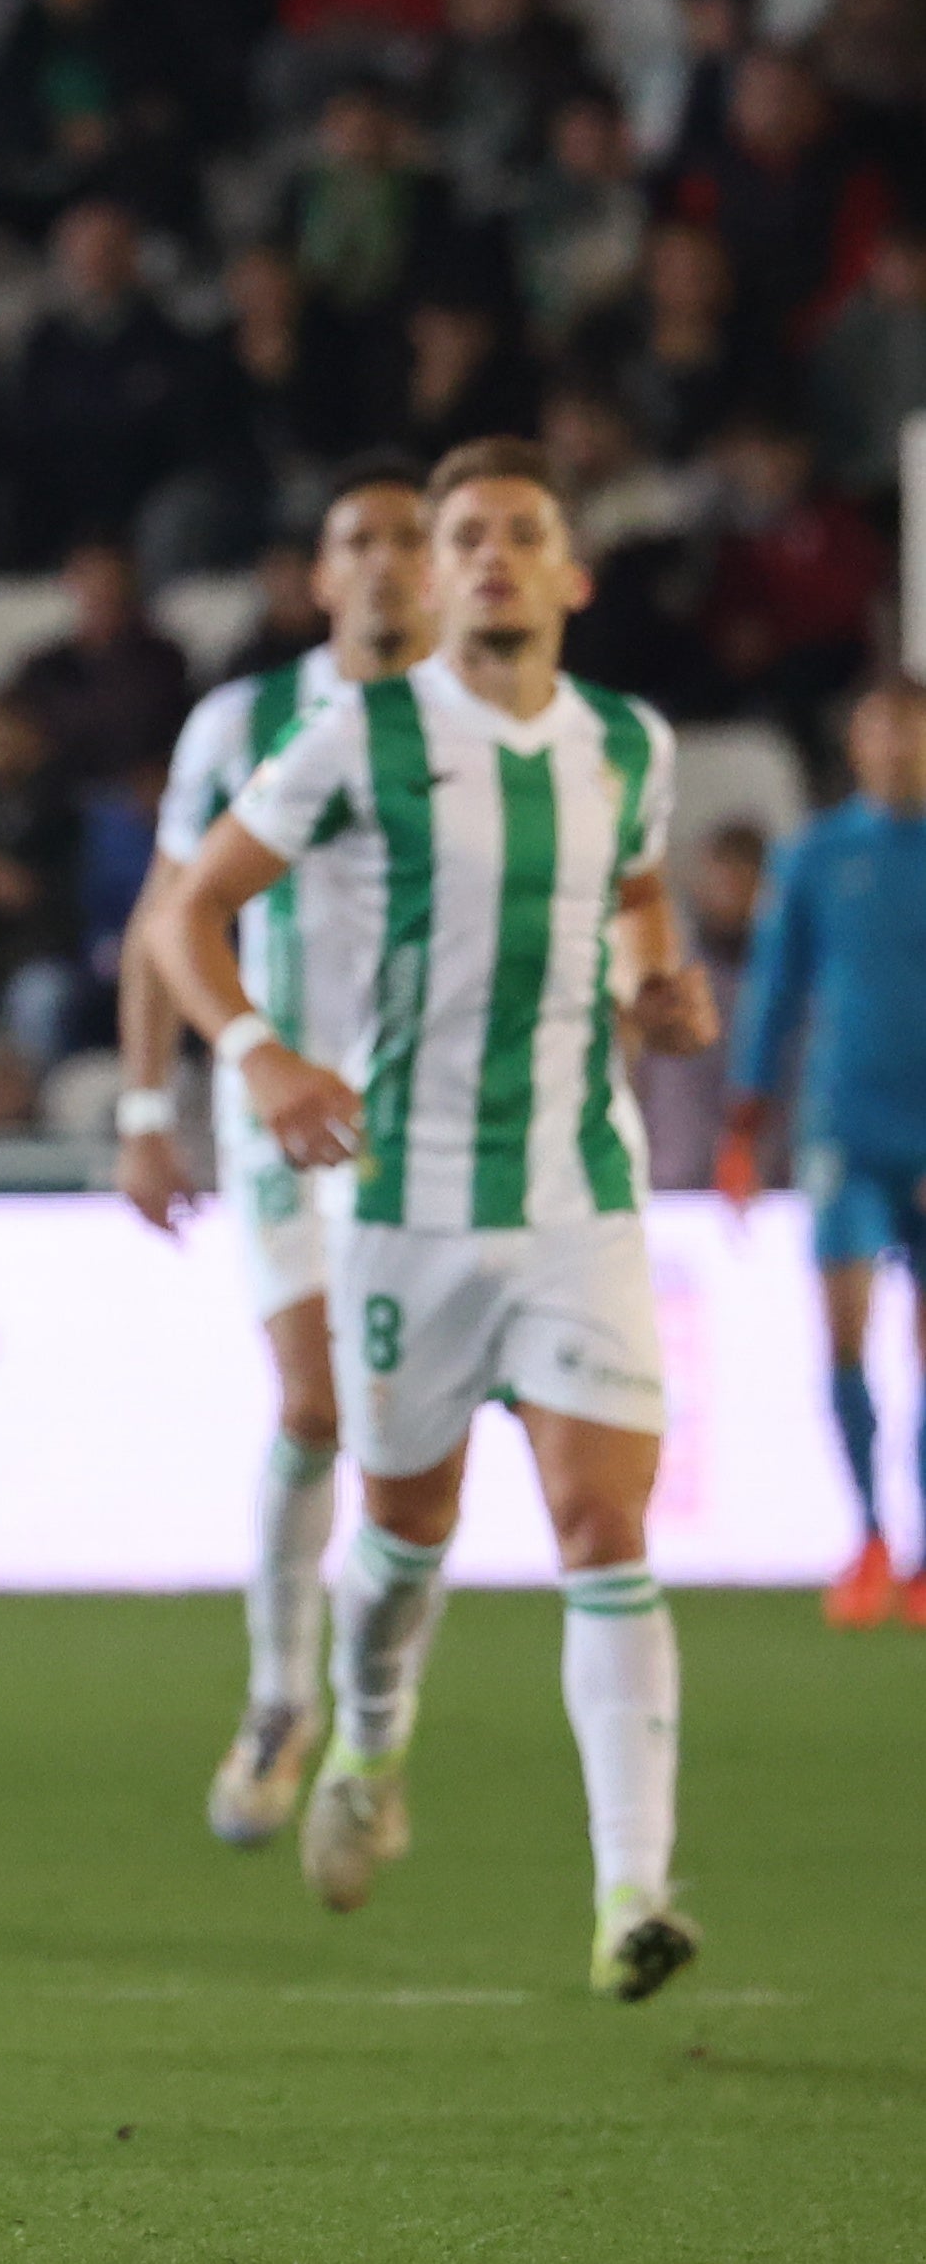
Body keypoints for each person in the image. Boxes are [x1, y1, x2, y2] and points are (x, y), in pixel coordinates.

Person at [145, 437, 717, 2001]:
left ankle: (631, 1891)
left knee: (607, 1524)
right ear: (441, 569)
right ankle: (368, 1743)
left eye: (522, 532)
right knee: (405, 1528)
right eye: (466, 535)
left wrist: (665, 987)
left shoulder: (629, 741)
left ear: (573, 571)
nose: (489, 558)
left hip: (578, 1191)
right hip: (399, 1201)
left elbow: (643, 891)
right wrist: (252, 1052)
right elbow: (188, 910)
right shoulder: (356, 739)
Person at [112, 455, 437, 1843]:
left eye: (408, 540)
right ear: (318, 575)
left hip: (445, 1114)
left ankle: (375, 1730)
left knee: (411, 1435)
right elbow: (167, 914)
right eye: (356, 540)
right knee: (318, 1404)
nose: (382, 562)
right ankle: (279, 1695)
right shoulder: (244, 719)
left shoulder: (490, 723)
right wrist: (146, 1108)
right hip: (281, 1098)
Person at [721, 675, 926, 1626]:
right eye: (880, 730)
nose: (895, 748)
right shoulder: (815, 855)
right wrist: (743, 1120)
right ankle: (869, 1536)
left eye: (911, 731)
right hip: (844, 1123)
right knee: (842, 1332)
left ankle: (920, 1553)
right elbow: (774, 990)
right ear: (855, 743)